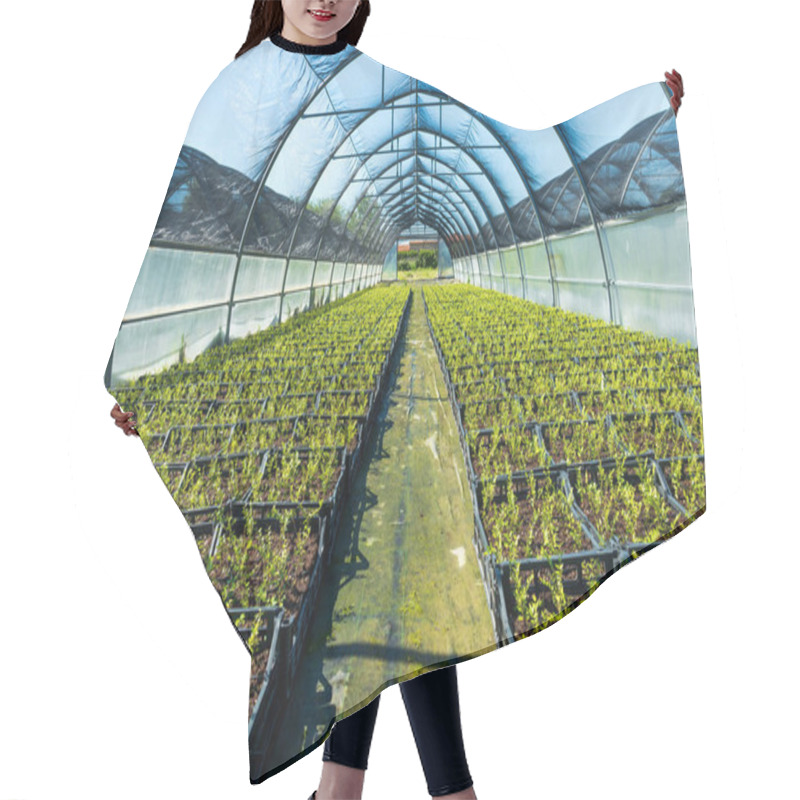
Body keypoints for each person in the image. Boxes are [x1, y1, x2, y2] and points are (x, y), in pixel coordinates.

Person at [109, 3, 686, 798]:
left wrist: (642, 121)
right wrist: (149, 388)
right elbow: (181, 236)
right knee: (353, 581)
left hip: (326, 368)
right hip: (293, 375)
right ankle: (419, 790)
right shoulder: (236, 91)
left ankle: (352, 789)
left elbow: (528, 144)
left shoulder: (374, 82)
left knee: (394, 566)